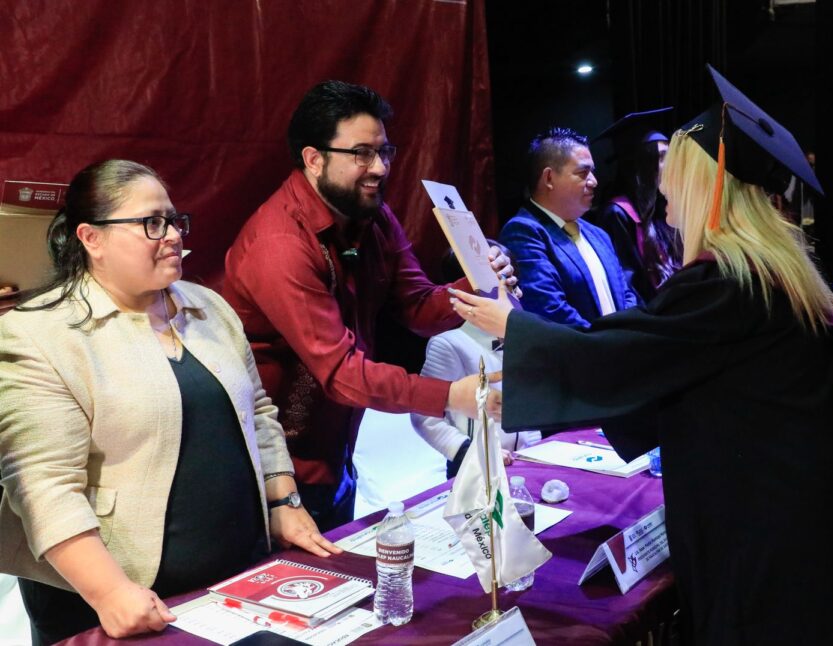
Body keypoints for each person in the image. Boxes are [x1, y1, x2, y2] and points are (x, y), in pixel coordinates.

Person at [449, 65, 833, 645]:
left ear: (707, 186)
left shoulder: (727, 282)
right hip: (795, 512)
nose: (663, 187)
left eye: (672, 172)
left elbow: (629, 355)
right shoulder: (767, 271)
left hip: (768, 535)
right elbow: (662, 363)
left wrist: (515, 327)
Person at [0, 160, 338, 644]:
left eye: (175, 220)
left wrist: (282, 498)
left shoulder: (209, 307)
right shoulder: (37, 334)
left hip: (237, 581)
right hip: (122, 604)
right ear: (91, 239)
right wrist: (111, 592)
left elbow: (259, 412)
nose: (173, 235)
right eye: (151, 223)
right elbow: (43, 488)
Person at [222, 81, 512, 531]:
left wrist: (479, 283)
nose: (380, 167)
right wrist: (449, 396)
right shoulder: (280, 244)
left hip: (336, 455)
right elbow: (340, 373)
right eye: (362, 153)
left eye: (384, 151)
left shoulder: (369, 214)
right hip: (276, 475)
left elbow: (417, 306)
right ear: (313, 159)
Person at [411, 251, 541, 479]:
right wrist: (469, 450)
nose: (515, 293)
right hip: (474, 468)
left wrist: (534, 447)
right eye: (504, 284)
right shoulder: (449, 343)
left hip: (525, 460)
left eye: (513, 283)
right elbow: (424, 415)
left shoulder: (522, 336)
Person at [499, 127, 637, 327]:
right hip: (581, 355)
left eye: (593, 172)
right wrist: (609, 346)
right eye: (583, 172)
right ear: (549, 178)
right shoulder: (524, 231)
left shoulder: (598, 234)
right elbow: (550, 310)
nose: (594, 181)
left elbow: (626, 296)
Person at [590, 108, 683, 303]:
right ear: (640, 164)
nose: (671, 163)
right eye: (662, 156)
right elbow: (628, 281)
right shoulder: (617, 214)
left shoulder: (665, 206)